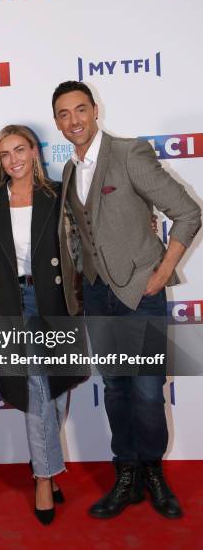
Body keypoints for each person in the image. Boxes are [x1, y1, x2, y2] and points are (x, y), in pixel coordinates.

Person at [53, 80, 202, 519]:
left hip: (142, 295)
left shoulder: (129, 153)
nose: (73, 120)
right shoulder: (67, 171)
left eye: (80, 109)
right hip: (99, 297)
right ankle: (127, 472)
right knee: (116, 389)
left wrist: (161, 273)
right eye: (64, 114)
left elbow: (188, 213)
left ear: (95, 110)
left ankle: (153, 471)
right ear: (59, 122)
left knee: (148, 391)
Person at [0, 124, 85, 525]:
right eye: (5, 154)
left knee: (55, 388)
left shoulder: (56, 195)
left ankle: (44, 462)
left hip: (55, 300)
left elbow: (83, 241)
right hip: (14, 302)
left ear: (35, 152)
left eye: (20, 150)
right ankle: (44, 477)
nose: (14, 160)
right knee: (37, 385)